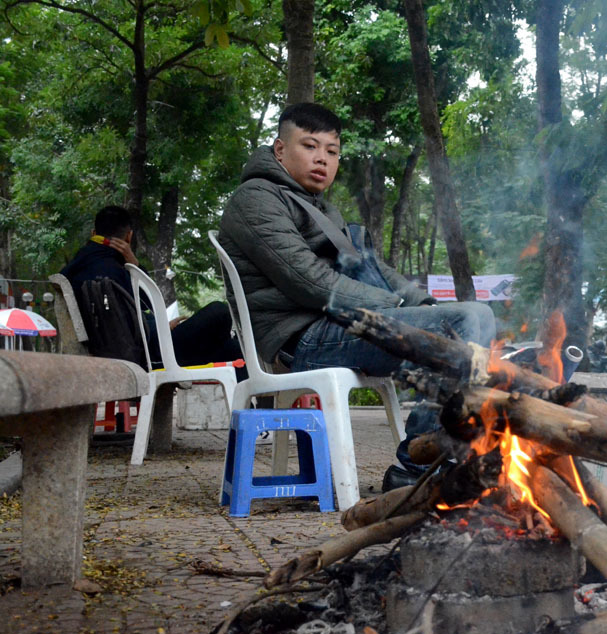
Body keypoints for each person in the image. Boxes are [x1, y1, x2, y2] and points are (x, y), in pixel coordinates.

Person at [218, 102, 495, 491]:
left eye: (332, 152)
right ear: (280, 150)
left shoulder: (320, 208)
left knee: (468, 321)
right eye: (310, 146)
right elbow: (309, 282)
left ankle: (455, 460)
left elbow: (375, 270)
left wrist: (425, 306)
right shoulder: (256, 199)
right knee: (467, 322)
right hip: (302, 337)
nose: (322, 159)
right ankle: (415, 470)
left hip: (338, 326)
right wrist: (397, 308)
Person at [61, 205, 243, 370]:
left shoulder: (75, 269)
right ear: (129, 236)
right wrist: (136, 266)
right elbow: (148, 305)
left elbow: (125, 318)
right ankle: (255, 402)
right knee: (220, 312)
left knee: (231, 349)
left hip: (128, 349)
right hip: (151, 355)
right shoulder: (118, 270)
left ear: (94, 233)